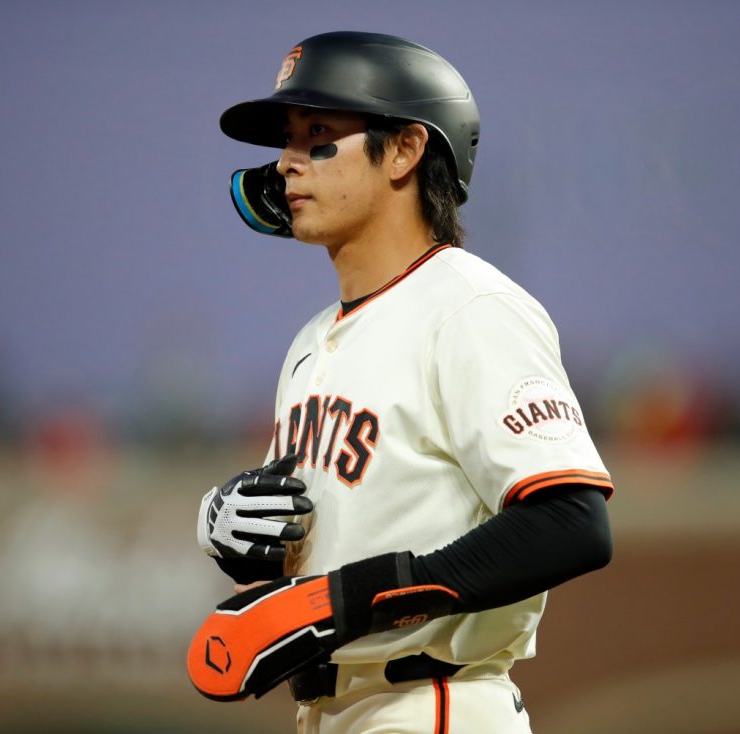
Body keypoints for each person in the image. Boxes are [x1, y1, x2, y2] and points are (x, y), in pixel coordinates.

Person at [188, 31, 614, 734]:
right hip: (330, 711)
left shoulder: (470, 306)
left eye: (318, 134)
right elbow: (314, 557)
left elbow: (570, 522)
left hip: (436, 704)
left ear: (408, 150)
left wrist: (342, 603)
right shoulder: (310, 342)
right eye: (287, 139)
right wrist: (225, 528)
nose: (288, 163)